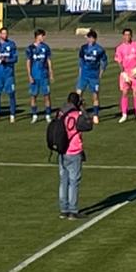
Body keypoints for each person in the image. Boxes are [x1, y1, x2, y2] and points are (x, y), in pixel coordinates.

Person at [55, 91, 96, 220]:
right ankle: (73, 210)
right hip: (74, 150)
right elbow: (89, 125)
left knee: (63, 181)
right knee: (74, 181)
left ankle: (63, 209)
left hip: (62, 151)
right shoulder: (76, 115)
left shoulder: (61, 113)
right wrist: (82, 109)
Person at [115, 28, 136, 122]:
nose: (127, 37)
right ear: (123, 36)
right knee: (124, 93)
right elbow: (119, 62)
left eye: (129, 35)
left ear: (131, 36)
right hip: (125, 73)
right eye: (125, 35)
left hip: (135, 73)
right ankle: (124, 114)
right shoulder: (120, 48)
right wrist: (123, 73)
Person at [0, 27, 20, 122]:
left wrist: (6, 60)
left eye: (6, 33)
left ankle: (12, 115)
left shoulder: (11, 45)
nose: (5, 35)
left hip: (9, 74)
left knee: (11, 94)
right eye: (3, 33)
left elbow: (15, 58)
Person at [77, 29, 107, 119]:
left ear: (95, 39)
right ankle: (80, 112)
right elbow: (81, 61)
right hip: (84, 76)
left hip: (94, 76)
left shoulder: (99, 49)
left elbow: (104, 61)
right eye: (89, 38)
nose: (90, 40)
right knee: (78, 94)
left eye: (92, 38)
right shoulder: (83, 48)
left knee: (95, 95)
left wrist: (101, 73)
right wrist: (80, 73)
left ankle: (96, 115)